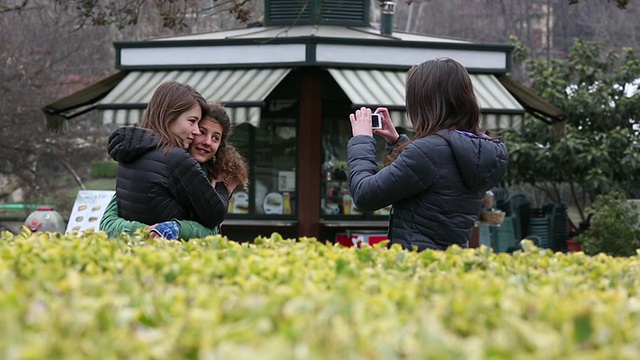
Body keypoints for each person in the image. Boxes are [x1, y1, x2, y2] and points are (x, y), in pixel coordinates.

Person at [346, 57, 508, 251]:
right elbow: (429, 179)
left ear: (423, 103)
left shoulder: (428, 152)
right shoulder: (475, 149)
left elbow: (365, 195)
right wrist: (397, 142)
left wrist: (362, 139)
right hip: (447, 264)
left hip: (417, 266)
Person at [100, 102, 249, 240]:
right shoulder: (156, 164)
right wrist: (146, 232)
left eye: (215, 138)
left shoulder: (216, 175)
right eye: (202, 132)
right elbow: (108, 222)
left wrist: (177, 228)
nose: (207, 142)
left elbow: (212, 230)